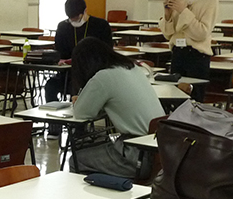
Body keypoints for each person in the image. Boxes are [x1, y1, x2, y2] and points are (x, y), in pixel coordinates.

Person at [69, 38, 165, 177]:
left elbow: (81, 113)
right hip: (159, 152)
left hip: (137, 155)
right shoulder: (132, 68)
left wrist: (81, 99)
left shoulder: (103, 77)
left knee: (76, 160)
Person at [160, 0, 219, 101]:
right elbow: (168, 34)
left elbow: (202, 33)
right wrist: (167, 15)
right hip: (178, 54)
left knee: (194, 100)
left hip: (197, 56)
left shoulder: (210, 0)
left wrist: (183, 11)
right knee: (174, 98)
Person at [44, 0, 113, 105]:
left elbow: (107, 52)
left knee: (76, 87)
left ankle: (78, 114)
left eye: (77, 18)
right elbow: (60, 51)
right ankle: (54, 115)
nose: (74, 21)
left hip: (92, 74)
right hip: (69, 73)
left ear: (85, 11)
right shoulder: (63, 27)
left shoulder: (100, 26)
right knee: (50, 86)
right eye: (71, 19)